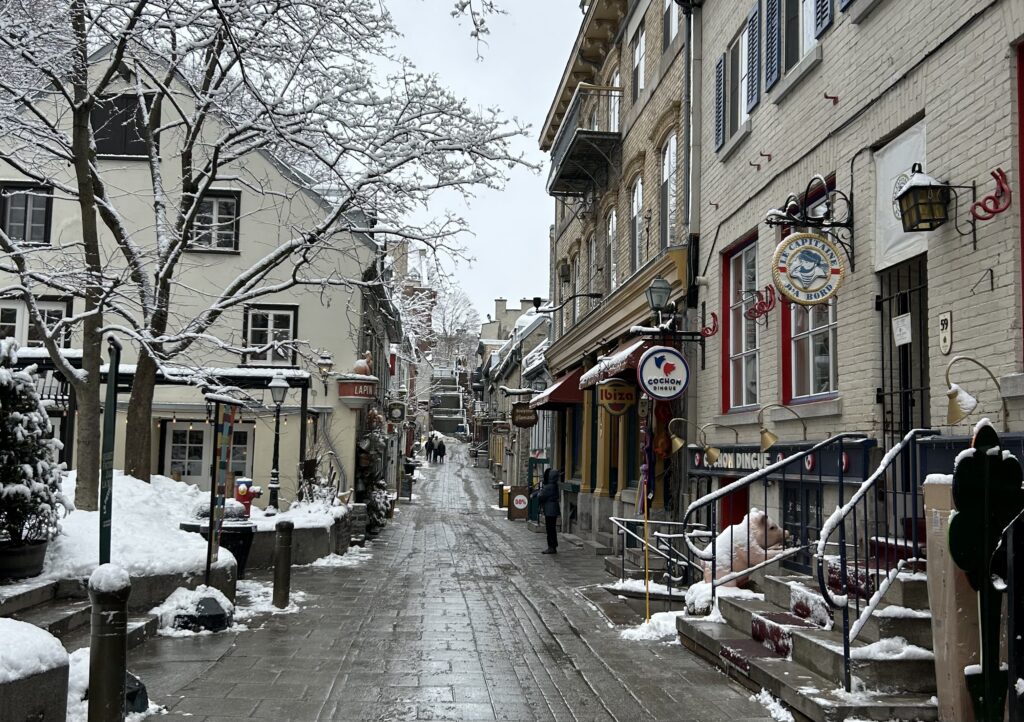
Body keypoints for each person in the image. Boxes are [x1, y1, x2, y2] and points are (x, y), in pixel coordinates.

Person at [533, 469, 561, 554]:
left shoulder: (549, 487)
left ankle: (551, 547)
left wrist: (536, 495)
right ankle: (553, 545)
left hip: (550, 510)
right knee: (552, 529)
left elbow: (541, 496)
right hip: (553, 509)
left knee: (550, 529)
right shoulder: (554, 485)